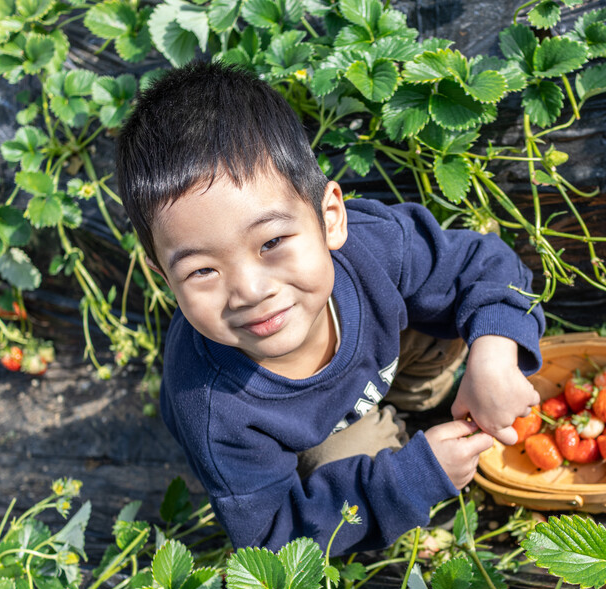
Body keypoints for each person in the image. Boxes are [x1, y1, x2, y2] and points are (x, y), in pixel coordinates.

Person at [116, 60, 545, 555]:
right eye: (202, 271)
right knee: (342, 480)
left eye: (272, 241)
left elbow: (483, 264)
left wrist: (493, 356)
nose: (251, 290)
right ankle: (383, 445)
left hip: (386, 358)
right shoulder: (215, 409)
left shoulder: (371, 247)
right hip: (313, 438)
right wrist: (411, 480)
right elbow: (274, 538)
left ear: (330, 218)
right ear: (163, 277)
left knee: (456, 316)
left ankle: (418, 399)